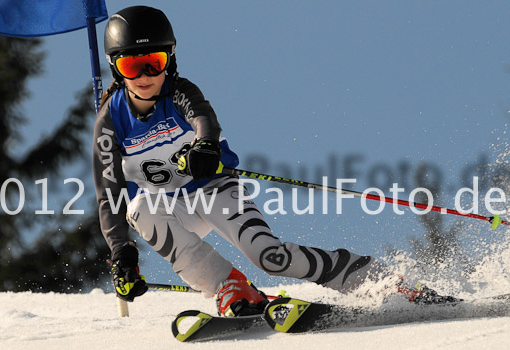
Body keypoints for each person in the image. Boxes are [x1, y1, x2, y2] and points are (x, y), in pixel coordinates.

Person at [93, 6, 451, 318]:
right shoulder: (110, 121)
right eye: (131, 65)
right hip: (170, 207)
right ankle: (230, 289)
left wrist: (205, 147)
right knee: (138, 208)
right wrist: (121, 253)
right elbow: (109, 191)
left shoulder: (180, 91)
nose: (144, 77)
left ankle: (382, 282)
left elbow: (204, 120)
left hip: (214, 190)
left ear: (169, 60)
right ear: (115, 68)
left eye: (154, 64)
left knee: (270, 257)